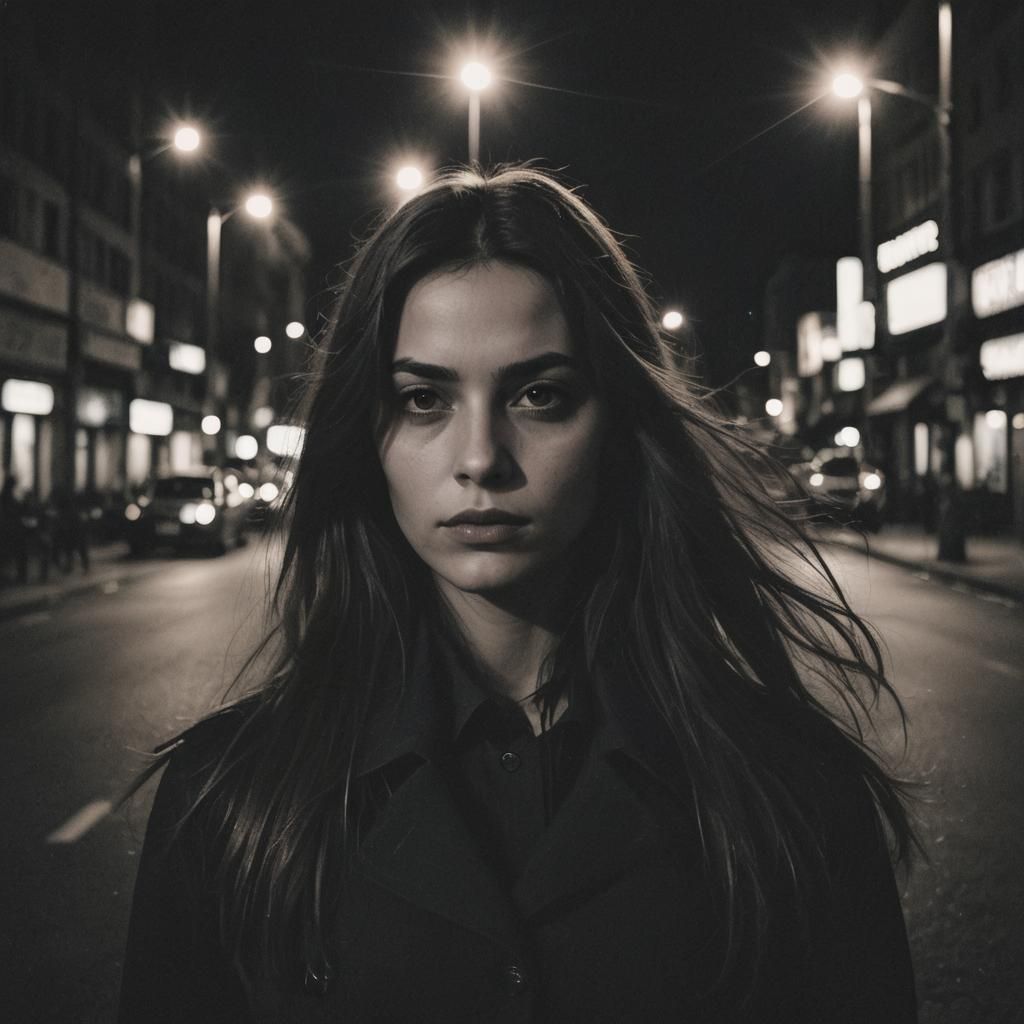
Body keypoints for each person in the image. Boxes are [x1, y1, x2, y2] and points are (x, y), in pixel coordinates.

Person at [119, 166, 918, 1023]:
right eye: (423, 398)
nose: (480, 458)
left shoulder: (788, 792)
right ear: (368, 438)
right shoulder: (233, 798)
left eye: (539, 395)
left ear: (616, 425)